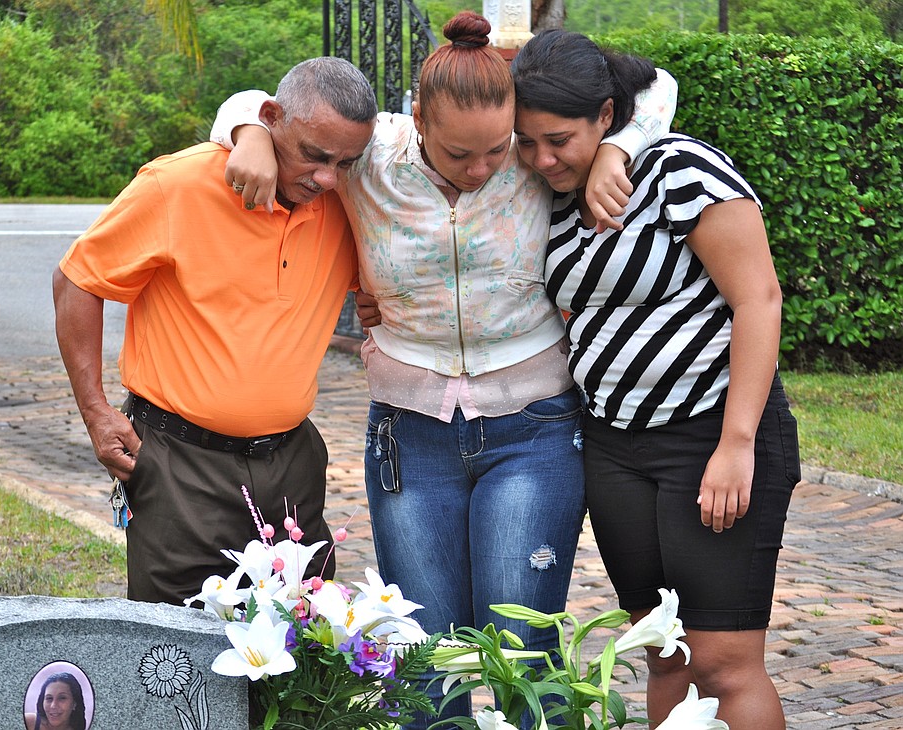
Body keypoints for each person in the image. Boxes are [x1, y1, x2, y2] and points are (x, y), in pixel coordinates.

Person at [210, 12, 676, 727]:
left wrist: (616, 148)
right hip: (410, 437)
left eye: (497, 150)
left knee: (523, 649)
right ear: (418, 117)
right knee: (427, 661)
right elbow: (254, 104)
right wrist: (248, 137)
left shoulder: (528, 152)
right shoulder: (373, 157)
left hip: (535, 428)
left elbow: (659, 89)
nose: (484, 168)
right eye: (461, 154)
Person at [510, 29, 800, 729]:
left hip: (709, 434)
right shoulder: (553, 195)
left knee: (723, 663)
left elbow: (758, 300)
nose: (542, 159)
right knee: (663, 652)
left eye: (559, 140)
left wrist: (737, 444)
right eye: (527, 142)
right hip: (612, 445)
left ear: (606, 117)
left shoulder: (679, 172)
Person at [53, 57, 378, 605]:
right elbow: (76, 282)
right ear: (272, 118)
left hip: (292, 464)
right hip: (180, 464)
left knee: (301, 654)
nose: (327, 177)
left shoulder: (345, 200)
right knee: (173, 658)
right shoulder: (178, 185)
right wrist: (95, 410)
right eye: (315, 156)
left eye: (345, 161)